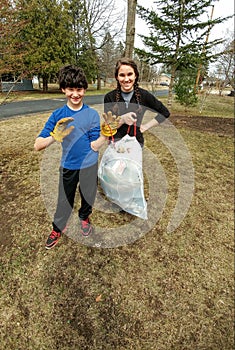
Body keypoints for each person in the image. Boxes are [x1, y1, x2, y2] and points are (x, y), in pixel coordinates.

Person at [34, 65, 106, 249]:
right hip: (69, 165)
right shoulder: (58, 115)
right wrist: (54, 137)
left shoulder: (91, 114)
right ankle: (58, 228)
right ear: (63, 89)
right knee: (64, 200)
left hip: (89, 165)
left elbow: (94, 144)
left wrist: (106, 134)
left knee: (88, 196)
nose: (75, 94)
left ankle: (84, 217)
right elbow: (37, 145)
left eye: (79, 89)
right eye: (71, 89)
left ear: (84, 89)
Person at [104, 58, 170, 146]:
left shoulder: (144, 95)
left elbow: (165, 113)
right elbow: (109, 127)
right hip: (115, 144)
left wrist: (145, 127)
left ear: (135, 75)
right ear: (117, 77)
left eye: (130, 74)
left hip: (136, 144)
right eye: (122, 75)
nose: (126, 79)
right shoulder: (109, 97)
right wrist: (122, 119)